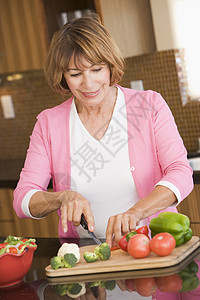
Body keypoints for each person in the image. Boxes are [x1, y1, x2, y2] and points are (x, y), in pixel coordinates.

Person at [13, 14, 193, 247]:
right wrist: (61, 197)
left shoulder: (148, 106)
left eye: (96, 69)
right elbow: (22, 199)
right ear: (63, 77)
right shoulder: (49, 124)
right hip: (88, 255)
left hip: (151, 246)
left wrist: (136, 213)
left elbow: (181, 172)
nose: (88, 84)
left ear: (110, 66)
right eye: (75, 74)